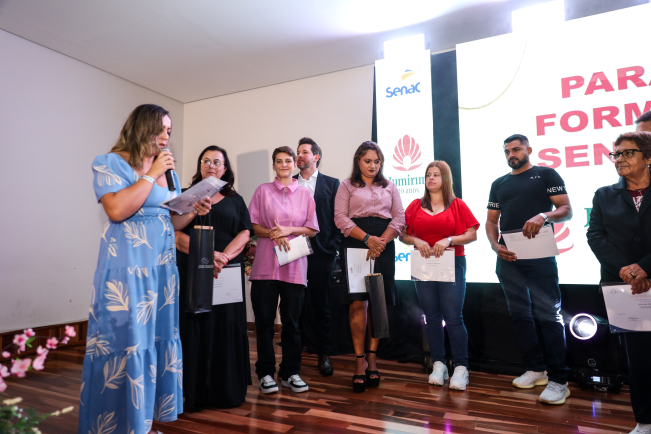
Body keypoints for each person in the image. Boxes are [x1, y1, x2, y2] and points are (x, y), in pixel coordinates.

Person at [79, 104, 212, 433]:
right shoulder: (110, 162)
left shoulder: (168, 173)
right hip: (128, 269)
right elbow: (117, 210)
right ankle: (113, 425)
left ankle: (144, 422)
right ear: (143, 127)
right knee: (126, 342)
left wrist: (193, 209)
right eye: (162, 129)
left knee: (155, 340)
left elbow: (169, 220)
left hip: (162, 269)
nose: (167, 136)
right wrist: (151, 174)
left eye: (170, 131)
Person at [485, 134, 573, 405]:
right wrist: (494, 245)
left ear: (529, 149)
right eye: (507, 151)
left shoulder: (546, 174)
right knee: (519, 315)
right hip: (508, 257)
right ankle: (536, 369)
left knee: (549, 316)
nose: (511, 154)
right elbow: (491, 221)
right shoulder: (499, 183)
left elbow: (566, 210)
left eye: (516, 149)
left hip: (540, 256)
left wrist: (544, 215)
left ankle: (559, 380)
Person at [175, 145, 252, 410]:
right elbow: (174, 232)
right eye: (206, 161)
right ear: (200, 166)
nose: (211, 165)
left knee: (226, 325)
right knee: (196, 325)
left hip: (226, 267)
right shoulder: (186, 196)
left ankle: (226, 392)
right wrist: (208, 252)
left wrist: (223, 257)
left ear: (225, 168)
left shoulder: (236, 199)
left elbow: (245, 232)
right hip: (195, 264)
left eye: (217, 162)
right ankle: (194, 393)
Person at [587, 131, 651, 434]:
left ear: (648, 157)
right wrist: (627, 270)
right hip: (622, 286)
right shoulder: (603, 195)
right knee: (638, 358)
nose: (619, 159)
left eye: (628, 153)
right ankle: (645, 421)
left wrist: (644, 267)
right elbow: (595, 236)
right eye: (617, 154)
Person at [400, 161, 479, 391]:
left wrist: (449, 240)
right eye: (428, 175)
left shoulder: (457, 204)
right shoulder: (415, 205)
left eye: (436, 175)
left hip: (452, 263)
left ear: (445, 178)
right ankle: (439, 364)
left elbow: (472, 234)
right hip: (423, 263)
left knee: (453, 317)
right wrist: (416, 240)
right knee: (431, 317)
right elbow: (402, 234)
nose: (431, 178)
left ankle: (461, 367)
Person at [334, 141, 405, 393]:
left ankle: (372, 359)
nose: (373, 165)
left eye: (377, 161)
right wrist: (367, 239)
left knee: (378, 302)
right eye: (367, 161)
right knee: (358, 303)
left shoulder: (390, 186)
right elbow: (340, 217)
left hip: (383, 245)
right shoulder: (346, 185)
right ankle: (359, 361)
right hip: (356, 243)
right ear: (358, 161)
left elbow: (399, 217)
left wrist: (380, 241)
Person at [248, 146, 319, 394]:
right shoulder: (262, 191)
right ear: (274, 165)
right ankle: (265, 373)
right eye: (279, 161)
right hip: (265, 267)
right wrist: (272, 233)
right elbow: (253, 225)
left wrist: (289, 230)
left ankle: (290, 372)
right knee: (264, 323)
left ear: (294, 164)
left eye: (288, 160)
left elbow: (312, 230)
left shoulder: (305, 194)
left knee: (292, 323)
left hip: (295, 266)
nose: (284, 165)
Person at [293, 137, 341, 376]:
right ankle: (295, 353)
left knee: (322, 304)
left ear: (316, 156)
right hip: (294, 250)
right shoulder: (290, 182)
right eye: (298, 152)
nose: (300, 155)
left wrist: (334, 246)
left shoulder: (332, 183)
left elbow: (338, 217)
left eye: (305, 152)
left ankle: (324, 353)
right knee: (295, 303)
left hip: (322, 252)